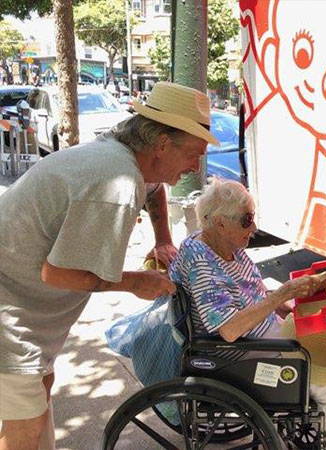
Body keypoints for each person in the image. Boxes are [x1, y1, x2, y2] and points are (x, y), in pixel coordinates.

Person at [0, 81, 219, 450]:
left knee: (38, 397)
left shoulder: (127, 160)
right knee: (26, 422)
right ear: (162, 144)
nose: (196, 165)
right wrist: (134, 282)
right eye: (193, 153)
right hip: (12, 308)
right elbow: (57, 274)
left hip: (27, 307)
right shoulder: (116, 182)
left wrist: (163, 237)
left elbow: (156, 188)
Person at [107, 177, 326, 450]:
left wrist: (295, 304)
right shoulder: (203, 263)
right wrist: (284, 294)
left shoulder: (222, 246)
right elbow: (229, 330)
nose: (254, 228)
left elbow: (254, 294)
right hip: (238, 352)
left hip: (262, 334)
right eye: (246, 221)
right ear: (220, 223)